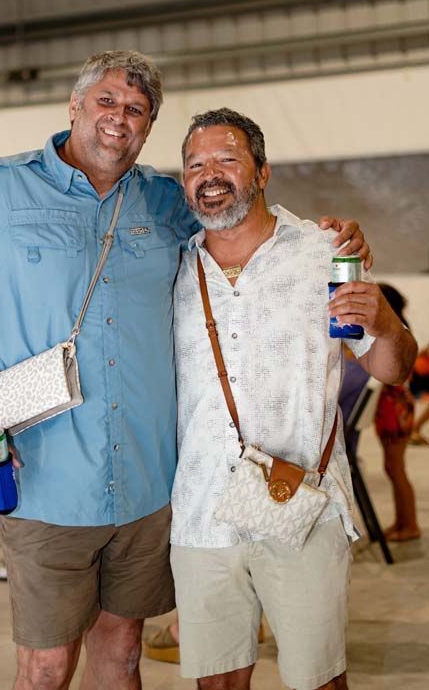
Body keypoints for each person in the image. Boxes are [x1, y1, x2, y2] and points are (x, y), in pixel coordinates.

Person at [0, 50, 370, 690]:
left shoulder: (166, 200)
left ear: (149, 126)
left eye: (136, 109)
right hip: (44, 474)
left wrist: (333, 238)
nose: (118, 118)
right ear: (74, 107)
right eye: (105, 101)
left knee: (123, 651)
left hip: (147, 484)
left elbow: (240, 214)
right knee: (46, 666)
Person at [169, 108, 417, 690]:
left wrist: (383, 322)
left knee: (317, 680)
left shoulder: (323, 251)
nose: (211, 173)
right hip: (202, 513)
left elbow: (396, 368)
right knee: (217, 682)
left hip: (303, 505)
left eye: (228, 159)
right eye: (195, 164)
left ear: (262, 173)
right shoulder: (172, 265)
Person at [374, 284, 420, 542]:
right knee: (393, 468)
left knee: (396, 468)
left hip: (395, 408)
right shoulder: (399, 328)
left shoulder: (394, 331)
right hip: (394, 407)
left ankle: (410, 524)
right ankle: (402, 522)